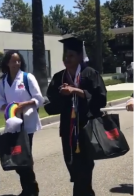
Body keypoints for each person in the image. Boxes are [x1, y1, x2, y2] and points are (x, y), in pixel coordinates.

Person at [44, 37, 107, 196]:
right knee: (72, 164)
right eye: (65, 55)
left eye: (71, 55)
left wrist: (76, 91)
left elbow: (101, 99)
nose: (67, 59)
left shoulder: (90, 74)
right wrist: (62, 94)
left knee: (85, 166)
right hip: (68, 129)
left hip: (87, 127)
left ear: (80, 56)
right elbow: (50, 106)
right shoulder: (60, 77)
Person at [0, 50, 44, 196]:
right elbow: (0, 101)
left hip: (27, 124)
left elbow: (39, 99)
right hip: (12, 125)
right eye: (13, 61)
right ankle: (28, 187)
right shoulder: (3, 81)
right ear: (7, 63)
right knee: (17, 158)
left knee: (24, 156)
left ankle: (31, 189)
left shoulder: (27, 77)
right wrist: (7, 108)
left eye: (18, 61)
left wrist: (23, 105)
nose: (16, 63)